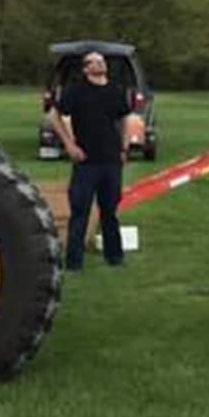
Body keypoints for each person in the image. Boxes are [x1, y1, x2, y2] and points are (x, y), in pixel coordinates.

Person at [51, 50, 131, 270]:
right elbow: (54, 116)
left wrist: (124, 147)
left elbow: (124, 118)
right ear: (86, 68)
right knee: (80, 212)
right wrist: (70, 145)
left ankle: (114, 257)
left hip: (111, 160)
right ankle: (74, 262)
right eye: (95, 61)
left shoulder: (115, 90)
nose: (100, 64)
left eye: (102, 61)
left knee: (110, 211)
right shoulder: (76, 91)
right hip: (86, 161)